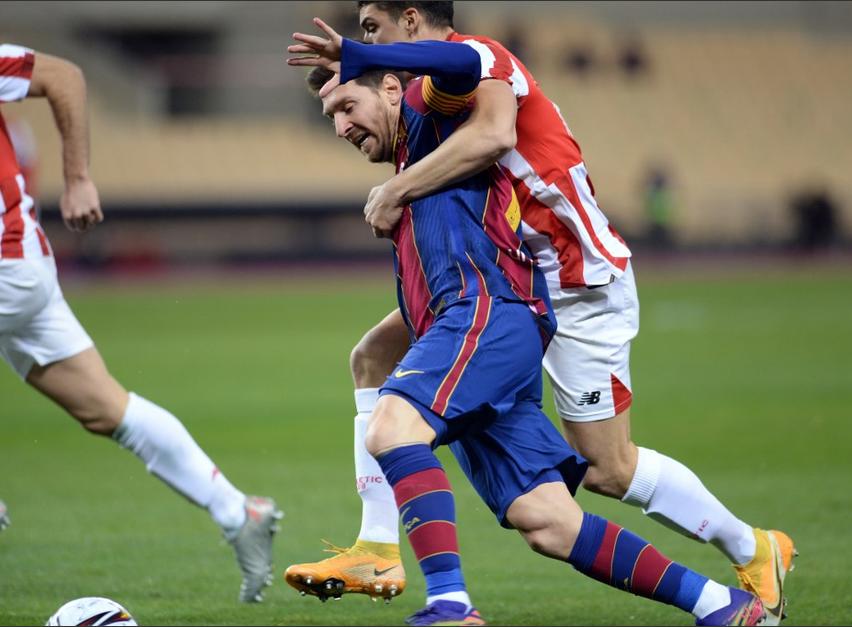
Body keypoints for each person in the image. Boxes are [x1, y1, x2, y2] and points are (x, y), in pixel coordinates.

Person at [285, 3, 796, 624]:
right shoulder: (420, 135)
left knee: (596, 464)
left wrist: (368, 65)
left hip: (565, 279)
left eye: (373, 29)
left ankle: (447, 601)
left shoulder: (448, 88)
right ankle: (721, 605)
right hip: (511, 291)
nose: (340, 125)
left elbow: (478, 100)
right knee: (546, 517)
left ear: (411, 24)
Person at [0, 43, 281, 603]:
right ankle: (236, 509)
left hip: (6, 261)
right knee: (106, 408)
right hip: (24, 264)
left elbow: (64, 75)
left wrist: (78, 178)